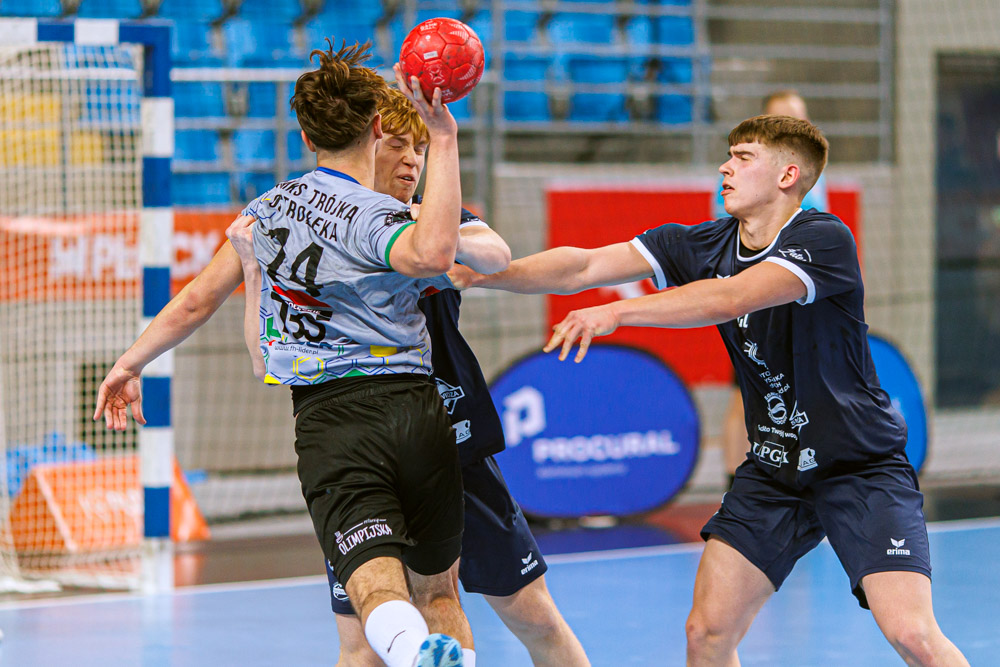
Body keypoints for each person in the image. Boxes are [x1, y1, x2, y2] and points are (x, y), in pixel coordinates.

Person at [96, 86, 588, 667]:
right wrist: (148, 348)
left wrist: (447, 244)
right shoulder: (304, 219)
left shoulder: (429, 220)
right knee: (361, 642)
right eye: (399, 144)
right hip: (371, 427)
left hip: (448, 436)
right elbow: (217, 318)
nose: (412, 161)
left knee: (528, 613)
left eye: (422, 149)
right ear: (371, 139)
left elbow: (492, 251)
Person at [452, 114, 969, 665]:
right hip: (775, 473)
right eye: (728, 154)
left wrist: (616, 314)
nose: (725, 166)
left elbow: (731, 298)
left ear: (787, 175)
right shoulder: (704, 242)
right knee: (707, 633)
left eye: (743, 157)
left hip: (858, 467)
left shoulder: (824, 238)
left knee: (912, 635)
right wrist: (484, 277)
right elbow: (584, 264)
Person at [716, 90, 829, 489]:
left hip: (797, 299)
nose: (797, 124)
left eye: (801, 116)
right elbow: (734, 240)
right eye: (785, 117)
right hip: (756, 297)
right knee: (745, 390)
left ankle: (800, 473)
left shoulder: (813, 178)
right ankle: (734, 481)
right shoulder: (740, 179)